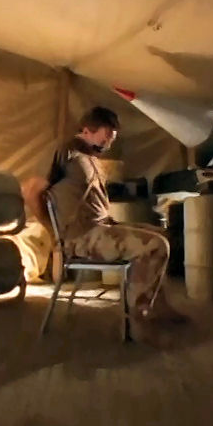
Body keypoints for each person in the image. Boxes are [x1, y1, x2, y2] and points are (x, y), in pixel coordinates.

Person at [32, 106, 186, 342]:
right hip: (82, 236)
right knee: (154, 245)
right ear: (87, 130)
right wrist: (53, 232)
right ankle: (138, 317)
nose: (109, 142)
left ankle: (158, 304)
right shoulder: (65, 151)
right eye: (106, 136)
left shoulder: (89, 156)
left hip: (102, 228)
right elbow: (31, 191)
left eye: (112, 137)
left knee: (161, 235)